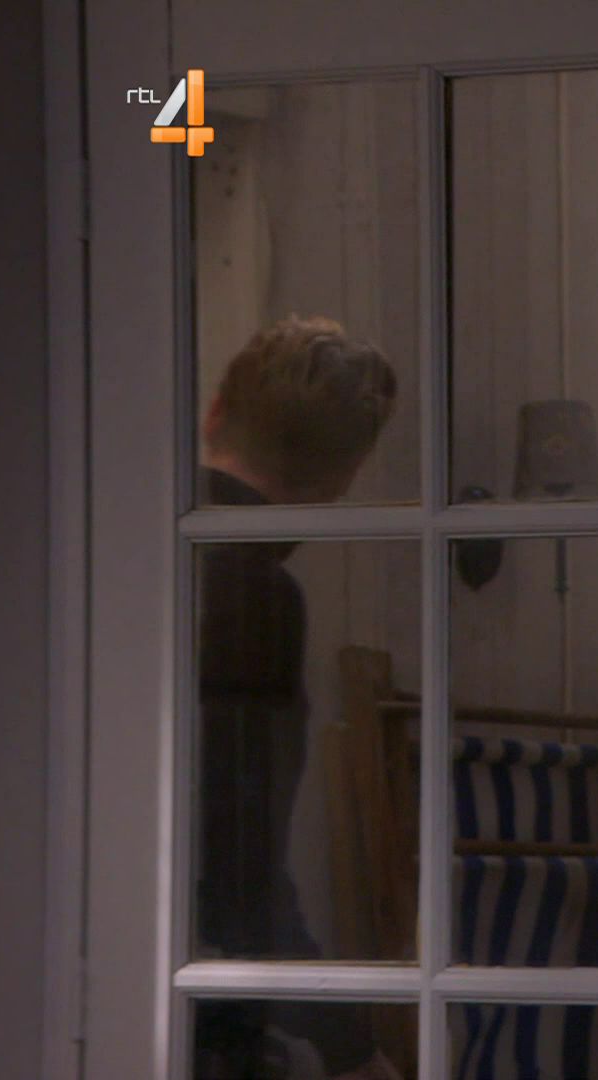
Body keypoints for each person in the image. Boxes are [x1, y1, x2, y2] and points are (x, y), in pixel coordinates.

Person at [195, 314, 402, 1080]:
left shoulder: (120, 543)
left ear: (215, 412)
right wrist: (354, 1051)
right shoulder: (253, 593)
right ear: (341, 481)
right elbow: (241, 873)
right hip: (195, 1009)